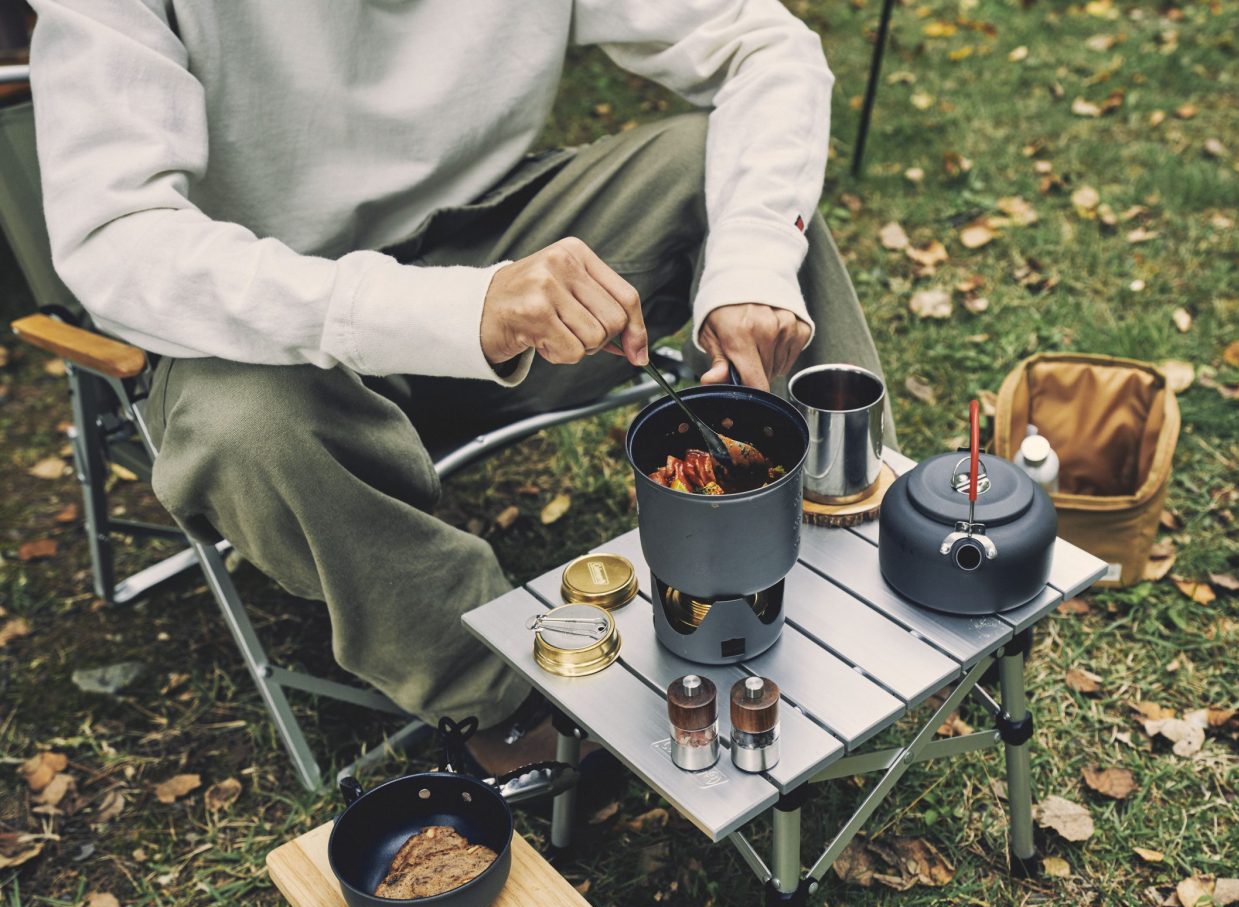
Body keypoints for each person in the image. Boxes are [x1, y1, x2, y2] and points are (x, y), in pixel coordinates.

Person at [30, 1, 891, 773]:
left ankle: (849, 543)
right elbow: (117, 233)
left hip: (494, 241)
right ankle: (513, 698)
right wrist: (449, 310)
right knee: (245, 427)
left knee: (734, 174)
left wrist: (749, 260)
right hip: (269, 323)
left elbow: (762, 40)